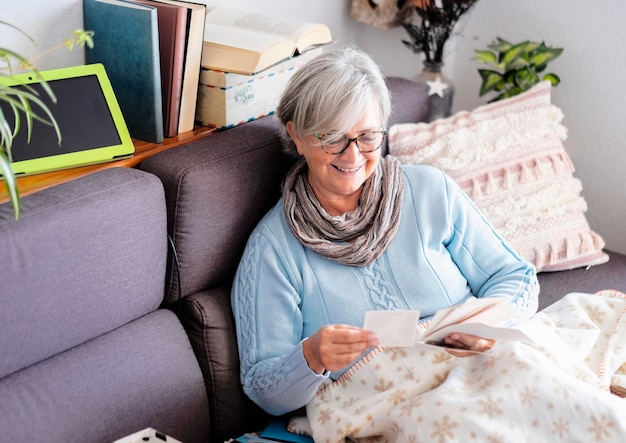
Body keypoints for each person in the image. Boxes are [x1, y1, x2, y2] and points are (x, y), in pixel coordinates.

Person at [230, 45, 539, 417]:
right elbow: (263, 388)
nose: (353, 155)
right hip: (394, 413)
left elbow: (516, 276)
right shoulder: (274, 250)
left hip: (483, 374)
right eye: (333, 137)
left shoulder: (430, 191)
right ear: (296, 134)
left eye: (368, 136)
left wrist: (488, 325)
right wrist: (310, 358)